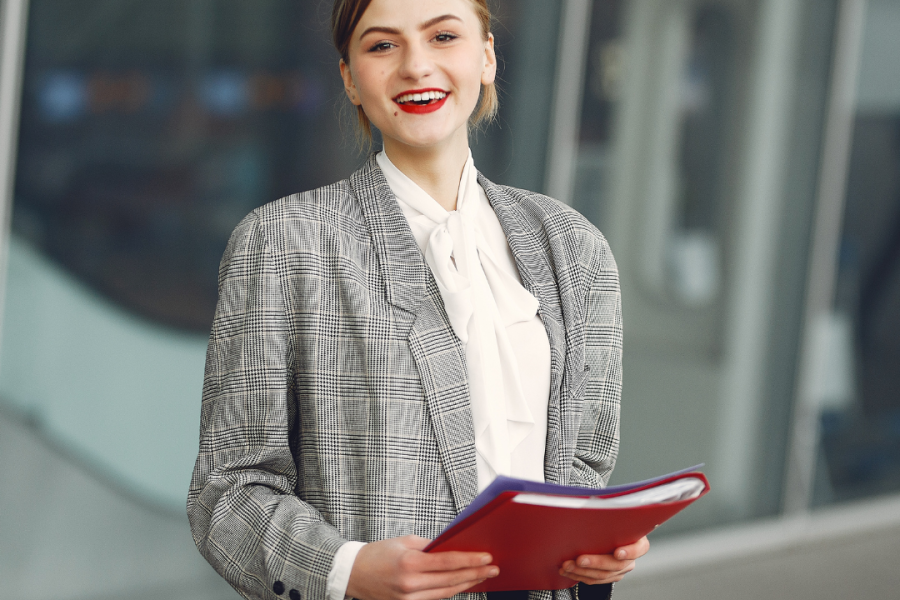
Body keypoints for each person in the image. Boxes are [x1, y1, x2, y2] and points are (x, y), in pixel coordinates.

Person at [187, 1, 649, 599]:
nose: (415, 65)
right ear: (350, 78)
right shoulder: (284, 242)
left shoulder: (573, 247)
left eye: (443, 37)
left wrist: (598, 543)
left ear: (485, 56)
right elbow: (228, 492)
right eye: (382, 46)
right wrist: (347, 569)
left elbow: (582, 466)